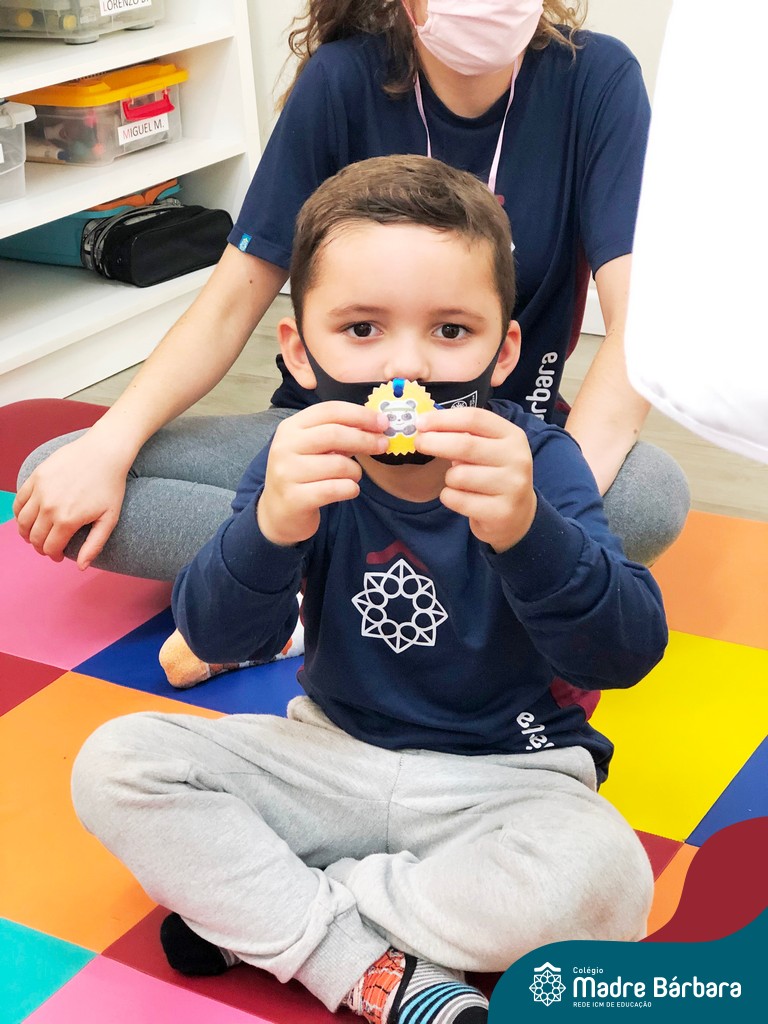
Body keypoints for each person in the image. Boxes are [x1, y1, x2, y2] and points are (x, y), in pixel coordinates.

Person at [71, 155, 667, 1024]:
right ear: (300, 352)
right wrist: (268, 528)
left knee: (607, 882)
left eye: (451, 331)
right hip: (328, 759)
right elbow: (215, 635)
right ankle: (361, 959)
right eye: (361, 329)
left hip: (505, 777)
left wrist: (530, 531)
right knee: (118, 762)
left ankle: (281, 916)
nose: (406, 367)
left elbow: (625, 651)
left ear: (504, 351)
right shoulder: (298, 461)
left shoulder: (539, 463)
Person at [14, 0, 689, 582]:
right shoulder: (340, 81)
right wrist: (109, 446)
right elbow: (227, 308)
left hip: (499, 444)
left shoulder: (597, 79)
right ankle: (441, 583)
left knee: (650, 494)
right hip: (332, 442)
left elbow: (641, 326)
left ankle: (323, 586)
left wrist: (549, 516)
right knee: (57, 473)